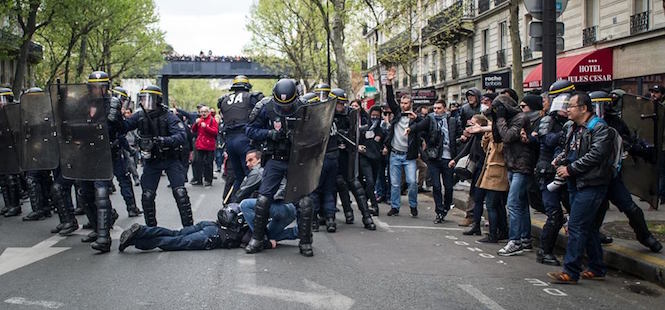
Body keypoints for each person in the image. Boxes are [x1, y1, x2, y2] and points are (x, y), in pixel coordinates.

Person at [244, 79, 317, 257]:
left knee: (304, 201)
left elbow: (316, 132)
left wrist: (300, 137)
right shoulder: (266, 107)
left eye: (288, 105)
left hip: (297, 159)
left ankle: (305, 241)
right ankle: (258, 238)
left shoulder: (304, 107)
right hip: (275, 158)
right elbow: (250, 130)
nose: (284, 109)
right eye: (281, 104)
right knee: (263, 199)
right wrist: (270, 134)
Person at [548, 91, 615, 284]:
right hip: (576, 183)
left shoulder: (600, 128)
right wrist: (560, 160)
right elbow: (569, 150)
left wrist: (570, 169)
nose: (567, 109)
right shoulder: (573, 127)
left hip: (592, 184)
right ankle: (597, 267)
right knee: (590, 227)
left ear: (583, 108)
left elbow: (596, 155)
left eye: (571, 106)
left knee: (576, 225)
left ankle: (570, 272)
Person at [588, 90, 662, 253]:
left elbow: (627, 141)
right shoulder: (581, 125)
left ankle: (645, 236)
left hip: (611, 176)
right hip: (591, 177)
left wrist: (643, 150)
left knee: (631, 208)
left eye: (604, 104)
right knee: (594, 212)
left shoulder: (615, 122)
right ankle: (593, 240)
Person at [113, 85, 193, 228]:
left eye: (149, 98)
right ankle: (151, 230)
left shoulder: (168, 116)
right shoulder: (139, 115)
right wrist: (116, 114)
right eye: (143, 98)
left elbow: (182, 136)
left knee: (180, 193)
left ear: (158, 100)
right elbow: (122, 128)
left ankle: (189, 228)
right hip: (152, 161)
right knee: (147, 196)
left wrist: (164, 141)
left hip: (170, 159)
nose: (146, 102)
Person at [534, 82, 574, 266]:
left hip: (566, 173)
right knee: (555, 214)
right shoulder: (548, 120)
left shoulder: (572, 122)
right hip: (548, 172)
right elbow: (547, 140)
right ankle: (544, 251)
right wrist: (565, 132)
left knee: (576, 213)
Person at [495, 93, 538, 257]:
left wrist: (499, 119)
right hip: (513, 165)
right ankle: (525, 238)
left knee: (512, 204)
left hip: (522, 165)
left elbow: (506, 136)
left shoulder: (521, 118)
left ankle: (515, 241)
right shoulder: (509, 120)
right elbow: (498, 136)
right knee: (520, 203)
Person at [328, 87, 376, 230]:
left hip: (346, 154)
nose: (341, 107)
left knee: (354, 183)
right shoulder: (326, 114)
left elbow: (354, 132)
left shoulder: (350, 114)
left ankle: (366, 216)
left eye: (343, 103)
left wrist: (347, 137)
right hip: (331, 154)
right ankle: (337, 215)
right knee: (335, 184)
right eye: (339, 104)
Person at [118, 205, 252, 252]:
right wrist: (269, 242)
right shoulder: (253, 226)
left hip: (211, 224)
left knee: (175, 233)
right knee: (174, 242)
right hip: (213, 235)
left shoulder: (248, 206)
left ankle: (142, 230)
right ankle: (134, 241)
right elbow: (249, 241)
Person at [384, 67, 425, 217]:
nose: (403, 105)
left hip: (409, 156)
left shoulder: (417, 118)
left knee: (412, 182)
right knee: (394, 184)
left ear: (411, 104)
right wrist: (389, 82)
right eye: (402, 103)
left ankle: (413, 206)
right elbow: (389, 99)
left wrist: (417, 120)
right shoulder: (397, 114)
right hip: (395, 154)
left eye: (406, 103)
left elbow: (425, 127)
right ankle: (395, 206)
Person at [413, 99, 462, 223]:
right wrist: (412, 127)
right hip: (434, 158)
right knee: (436, 186)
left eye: (439, 108)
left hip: (448, 158)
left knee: (449, 187)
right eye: (434, 108)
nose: (436, 111)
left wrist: (460, 139)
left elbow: (459, 135)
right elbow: (420, 127)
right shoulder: (430, 120)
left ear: (444, 108)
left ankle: (445, 207)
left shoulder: (452, 121)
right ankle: (439, 212)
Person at [218, 75, 264, 196]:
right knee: (252, 175)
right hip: (245, 139)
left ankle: (231, 205)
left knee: (238, 177)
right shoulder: (252, 98)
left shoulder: (223, 100)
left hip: (230, 141)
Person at [450, 114, 488, 233]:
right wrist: (455, 160)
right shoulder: (475, 137)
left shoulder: (484, 136)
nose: (468, 126)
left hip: (483, 168)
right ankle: (474, 223)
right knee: (475, 195)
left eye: (472, 123)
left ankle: (482, 223)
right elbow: (466, 149)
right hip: (476, 168)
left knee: (482, 197)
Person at [110, 86, 142, 217]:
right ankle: (131, 208)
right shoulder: (114, 113)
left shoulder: (95, 108)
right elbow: (120, 132)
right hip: (113, 152)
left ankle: (101, 217)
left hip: (101, 152)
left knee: (100, 185)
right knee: (123, 180)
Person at [358, 105, 385, 216]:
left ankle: (363, 201)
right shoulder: (363, 129)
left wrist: (385, 148)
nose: (374, 118)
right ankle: (374, 205)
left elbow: (386, 142)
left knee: (372, 183)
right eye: (373, 115)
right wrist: (359, 147)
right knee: (369, 181)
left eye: (377, 116)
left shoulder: (382, 131)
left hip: (376, 160)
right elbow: (356, 142)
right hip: (364, 158)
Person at [191, 106, 218, 186]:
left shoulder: (212, 120)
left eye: (205, 111)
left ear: (208, 112)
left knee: (208, 163)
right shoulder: (199, 120)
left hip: (209, 145)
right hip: (200, 144)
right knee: (197, 162)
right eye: (202, 112)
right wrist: (196, 124)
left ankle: (208, 180)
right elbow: (193, 130)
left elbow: (215, 132)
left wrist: (206, 127)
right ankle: (198, 179)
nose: (203, 113)